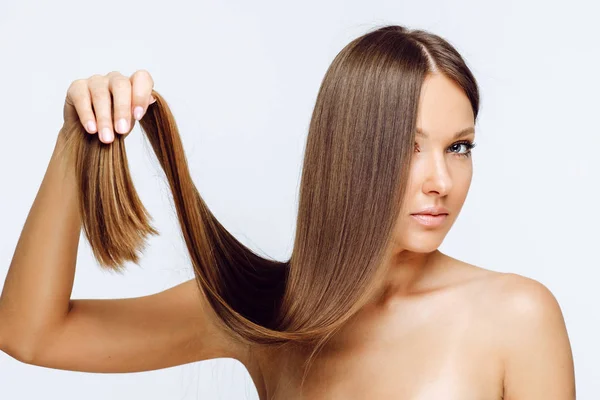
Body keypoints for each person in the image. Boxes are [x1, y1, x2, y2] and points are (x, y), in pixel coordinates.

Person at [0, 25, 575, 399]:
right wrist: (78, 139)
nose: (441, 181)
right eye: (407, 145)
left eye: (459, 146)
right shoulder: (265, 314)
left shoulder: (517, 317)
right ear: (346, 149)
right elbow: (31, 335)